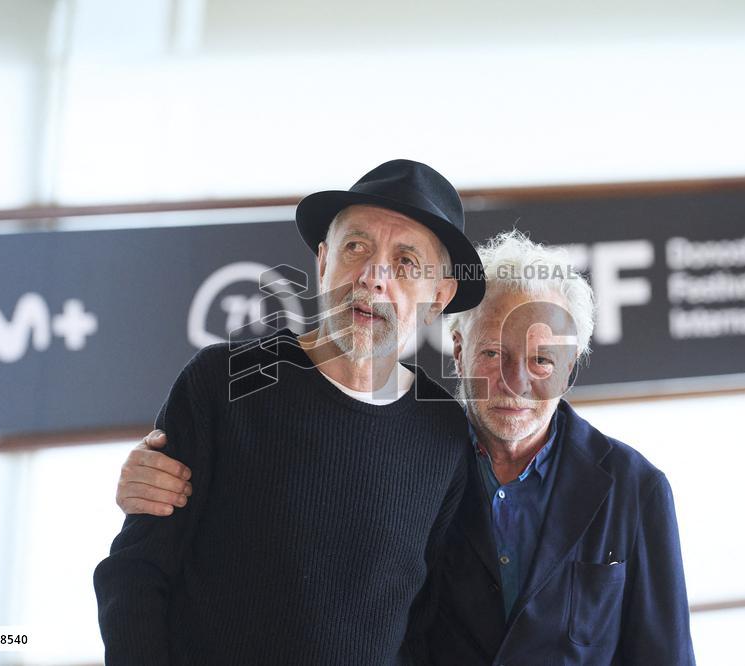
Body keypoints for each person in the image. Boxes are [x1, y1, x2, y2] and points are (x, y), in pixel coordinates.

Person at [118, 232, 696, 664]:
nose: (515, 384)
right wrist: (158, 471)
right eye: (493, 354)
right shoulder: (420, 452)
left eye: (543, 360)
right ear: (459, 348)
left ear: (572, 370)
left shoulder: (634, 488)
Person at [94, 158, 486, 666]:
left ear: (440, 296)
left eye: (406, 263)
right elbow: (135, 575)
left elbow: (424, 625)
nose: (372, 277)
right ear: (323, 261)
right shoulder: (222, 383)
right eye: (356, 247)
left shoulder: (446, 435)